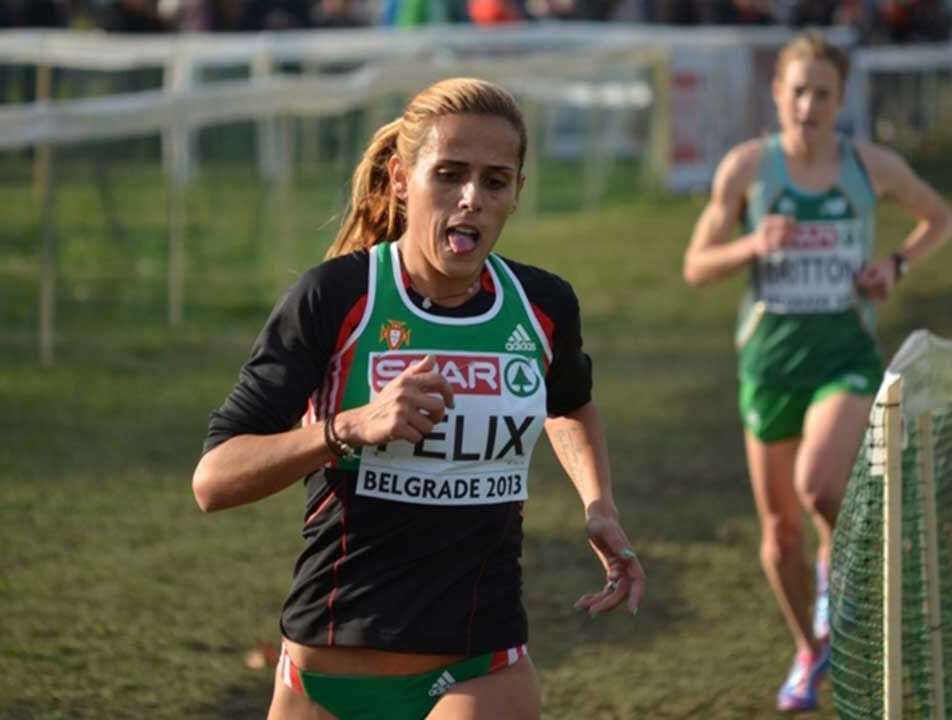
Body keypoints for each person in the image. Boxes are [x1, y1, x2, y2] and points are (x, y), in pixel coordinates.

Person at [193, 77, 646, 720]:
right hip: (328, 668)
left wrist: (599, 505)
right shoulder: (335, 298)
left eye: (494, 181)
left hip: (483, 660)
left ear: (517, 193)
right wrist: (349, 427)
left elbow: (568, 403)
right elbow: (213, 481)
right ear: (402, 179)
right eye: (449, 174)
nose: (471, 198)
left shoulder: (542, 305)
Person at [682, 33, 952, 712]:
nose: (808, 106)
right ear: (777, 92)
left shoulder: (870, 166)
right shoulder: (747, 168)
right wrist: (752, 242)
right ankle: (810, 648)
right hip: (770, 365)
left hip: (845, 357)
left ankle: (845, 568)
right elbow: (696, 266)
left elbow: (939, 218)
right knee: (780, 537)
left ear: (841, 99)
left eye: (822, 94)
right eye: (797, 91)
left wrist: (894, 265)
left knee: (819, 485)